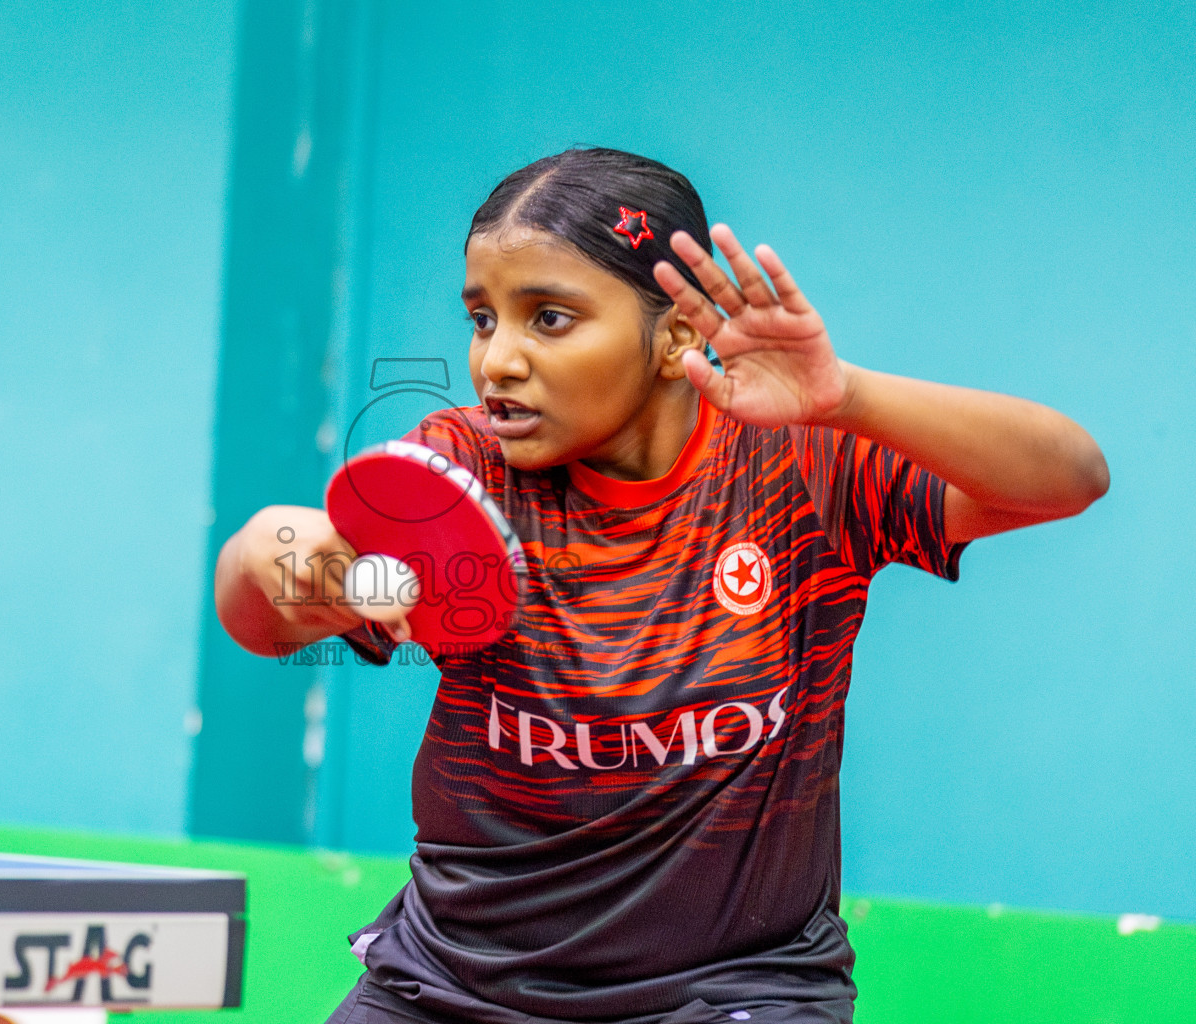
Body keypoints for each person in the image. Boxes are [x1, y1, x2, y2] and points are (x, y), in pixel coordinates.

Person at [213, 148, 1109, 1024]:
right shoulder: (468, 464)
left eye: (550, 318)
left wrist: (845, 398)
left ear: (676, 331)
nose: (498, 361)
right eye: (483, 318)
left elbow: (1069, 477)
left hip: (735, 990)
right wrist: (317, 569)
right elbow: (255, 592)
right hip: (455, 987)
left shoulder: (804, 469)